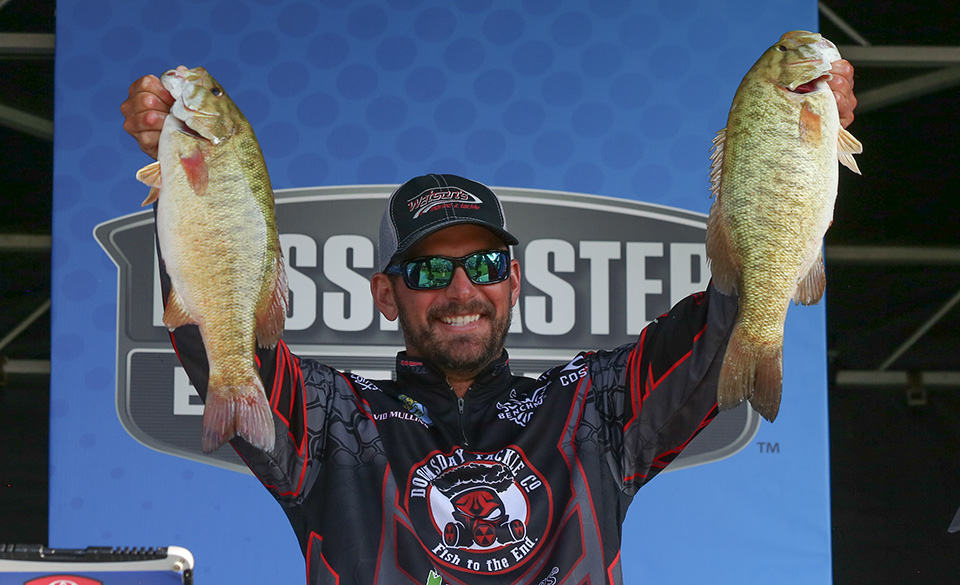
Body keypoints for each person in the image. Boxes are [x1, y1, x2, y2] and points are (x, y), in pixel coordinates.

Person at [121, 62, 858, 584]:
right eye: (431, 270)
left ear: (515, 280)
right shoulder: (332, 420)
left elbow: (724, 334)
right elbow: (217, 338)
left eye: (485, 264)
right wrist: (193, 182)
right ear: (387, 294)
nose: (462, 288)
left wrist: (797, 149)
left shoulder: (593, 405)